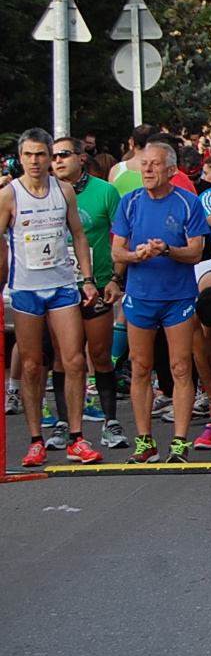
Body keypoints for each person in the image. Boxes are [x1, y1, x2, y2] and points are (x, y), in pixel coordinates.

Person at [2, 129, 102, 467]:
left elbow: (78, 235)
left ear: (49, 157)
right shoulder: (9, 195)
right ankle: (35, 440)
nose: (35, 161)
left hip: (62, 285)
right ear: (21, 157)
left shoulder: (64, 191)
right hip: (26, 289)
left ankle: (76, 438)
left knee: (74, 360)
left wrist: (87, 279)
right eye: (28, 155)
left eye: (41, 155)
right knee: (32, 365)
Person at [111, 140, 211, 463]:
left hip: (178, 296)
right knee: (140, 367)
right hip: (140, 296)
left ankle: (180, 441)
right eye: (144, 164)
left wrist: (166, 250)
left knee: (181, 367)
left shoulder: (187, 203)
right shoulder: (129, 203)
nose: (148, 170)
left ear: (171, 170)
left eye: (155, 164)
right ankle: (145, 441)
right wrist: (136, 255)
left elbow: (196, 252)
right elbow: (117, 252)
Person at [52, 136, 126, 450]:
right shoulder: (44, 193)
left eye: (64, 155)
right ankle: (63, 422)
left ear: (82, 158)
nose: (57, 161)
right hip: (58, 285)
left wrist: (115, 280)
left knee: (99, 355)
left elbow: (122, 236)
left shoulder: (105, 191)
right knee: (64, 358)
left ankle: (110, 422)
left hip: (96, 284)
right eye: (53, 156)